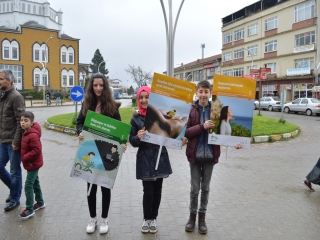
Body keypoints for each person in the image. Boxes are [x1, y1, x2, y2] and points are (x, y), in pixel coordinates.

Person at [76, 73, 125, 234]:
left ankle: (104, 219)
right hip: (90, 148)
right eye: (95, 85)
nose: (98, 88)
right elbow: (80, 122)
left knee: (105, 186)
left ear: (105, 87)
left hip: (105, 151)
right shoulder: (87, 103)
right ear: (91, 86)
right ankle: (92, 218)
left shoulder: (111, 105)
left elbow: (119, 127)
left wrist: (122, 142)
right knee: (91, 186)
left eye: (101, 85)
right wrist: (79, 132)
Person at [129, 86, 172, 234]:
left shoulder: (160, 115)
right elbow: (132, 141)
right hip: (145, 159)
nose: (144, 100)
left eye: (147, 97)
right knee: (148, 192)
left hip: (160, 156)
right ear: (138, 99)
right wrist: (138, 137)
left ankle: (153, 218)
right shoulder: (135, 118)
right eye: (141, 97)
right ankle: (146, 219)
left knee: (157, 191)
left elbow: (169, 133)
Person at [184, 80, 220, 234]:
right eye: (201, 92)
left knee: (205, 188)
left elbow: (224, 132)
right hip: (195, 155)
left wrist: (236, 142)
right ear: (196, 92)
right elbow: (186, 132)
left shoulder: (217, 109)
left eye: (206, 92)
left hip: (210, 156)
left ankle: (202, 218)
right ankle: (192, 217)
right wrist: (202, 126)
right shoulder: (191, 109)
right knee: (194, 189)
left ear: (210, 93)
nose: (203, 95)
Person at [0, 69, 25, 211]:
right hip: (2, 140)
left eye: (1, 79)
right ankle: (14, 189)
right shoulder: (2, 96)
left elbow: (20, 122)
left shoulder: (16, 97)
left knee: (15, 171)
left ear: (9, 81)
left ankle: (15, 199)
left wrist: (16, 142)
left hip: (13, 142)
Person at [19, 111, 45, 220]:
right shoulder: (26, 132)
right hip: (32, 163)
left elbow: (37, 150)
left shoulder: (32, 135)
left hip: (33, 163)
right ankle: (40, 202)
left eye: (26, 121)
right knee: (35, 182)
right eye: (21, 120)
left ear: (31, 122)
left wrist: (25, 157)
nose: (23, 123)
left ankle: (29, 209)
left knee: (28, 185)